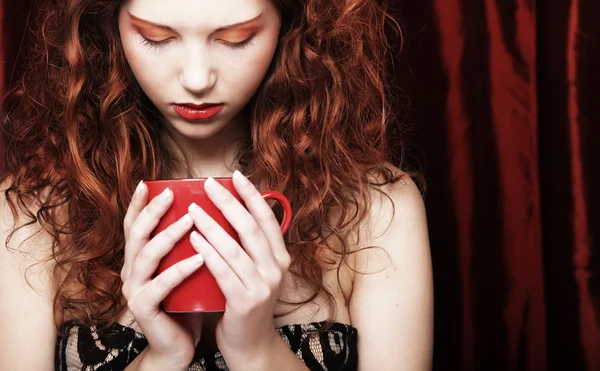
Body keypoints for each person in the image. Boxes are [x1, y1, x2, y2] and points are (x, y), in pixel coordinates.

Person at [0, 0, 433, 369]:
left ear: (293, 26)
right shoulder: (30, 215)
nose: (196, 78)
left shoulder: (378, 209)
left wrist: (258, 352)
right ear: (107, 26)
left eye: (236, 39)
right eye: (156, 36)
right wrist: (161, 358)